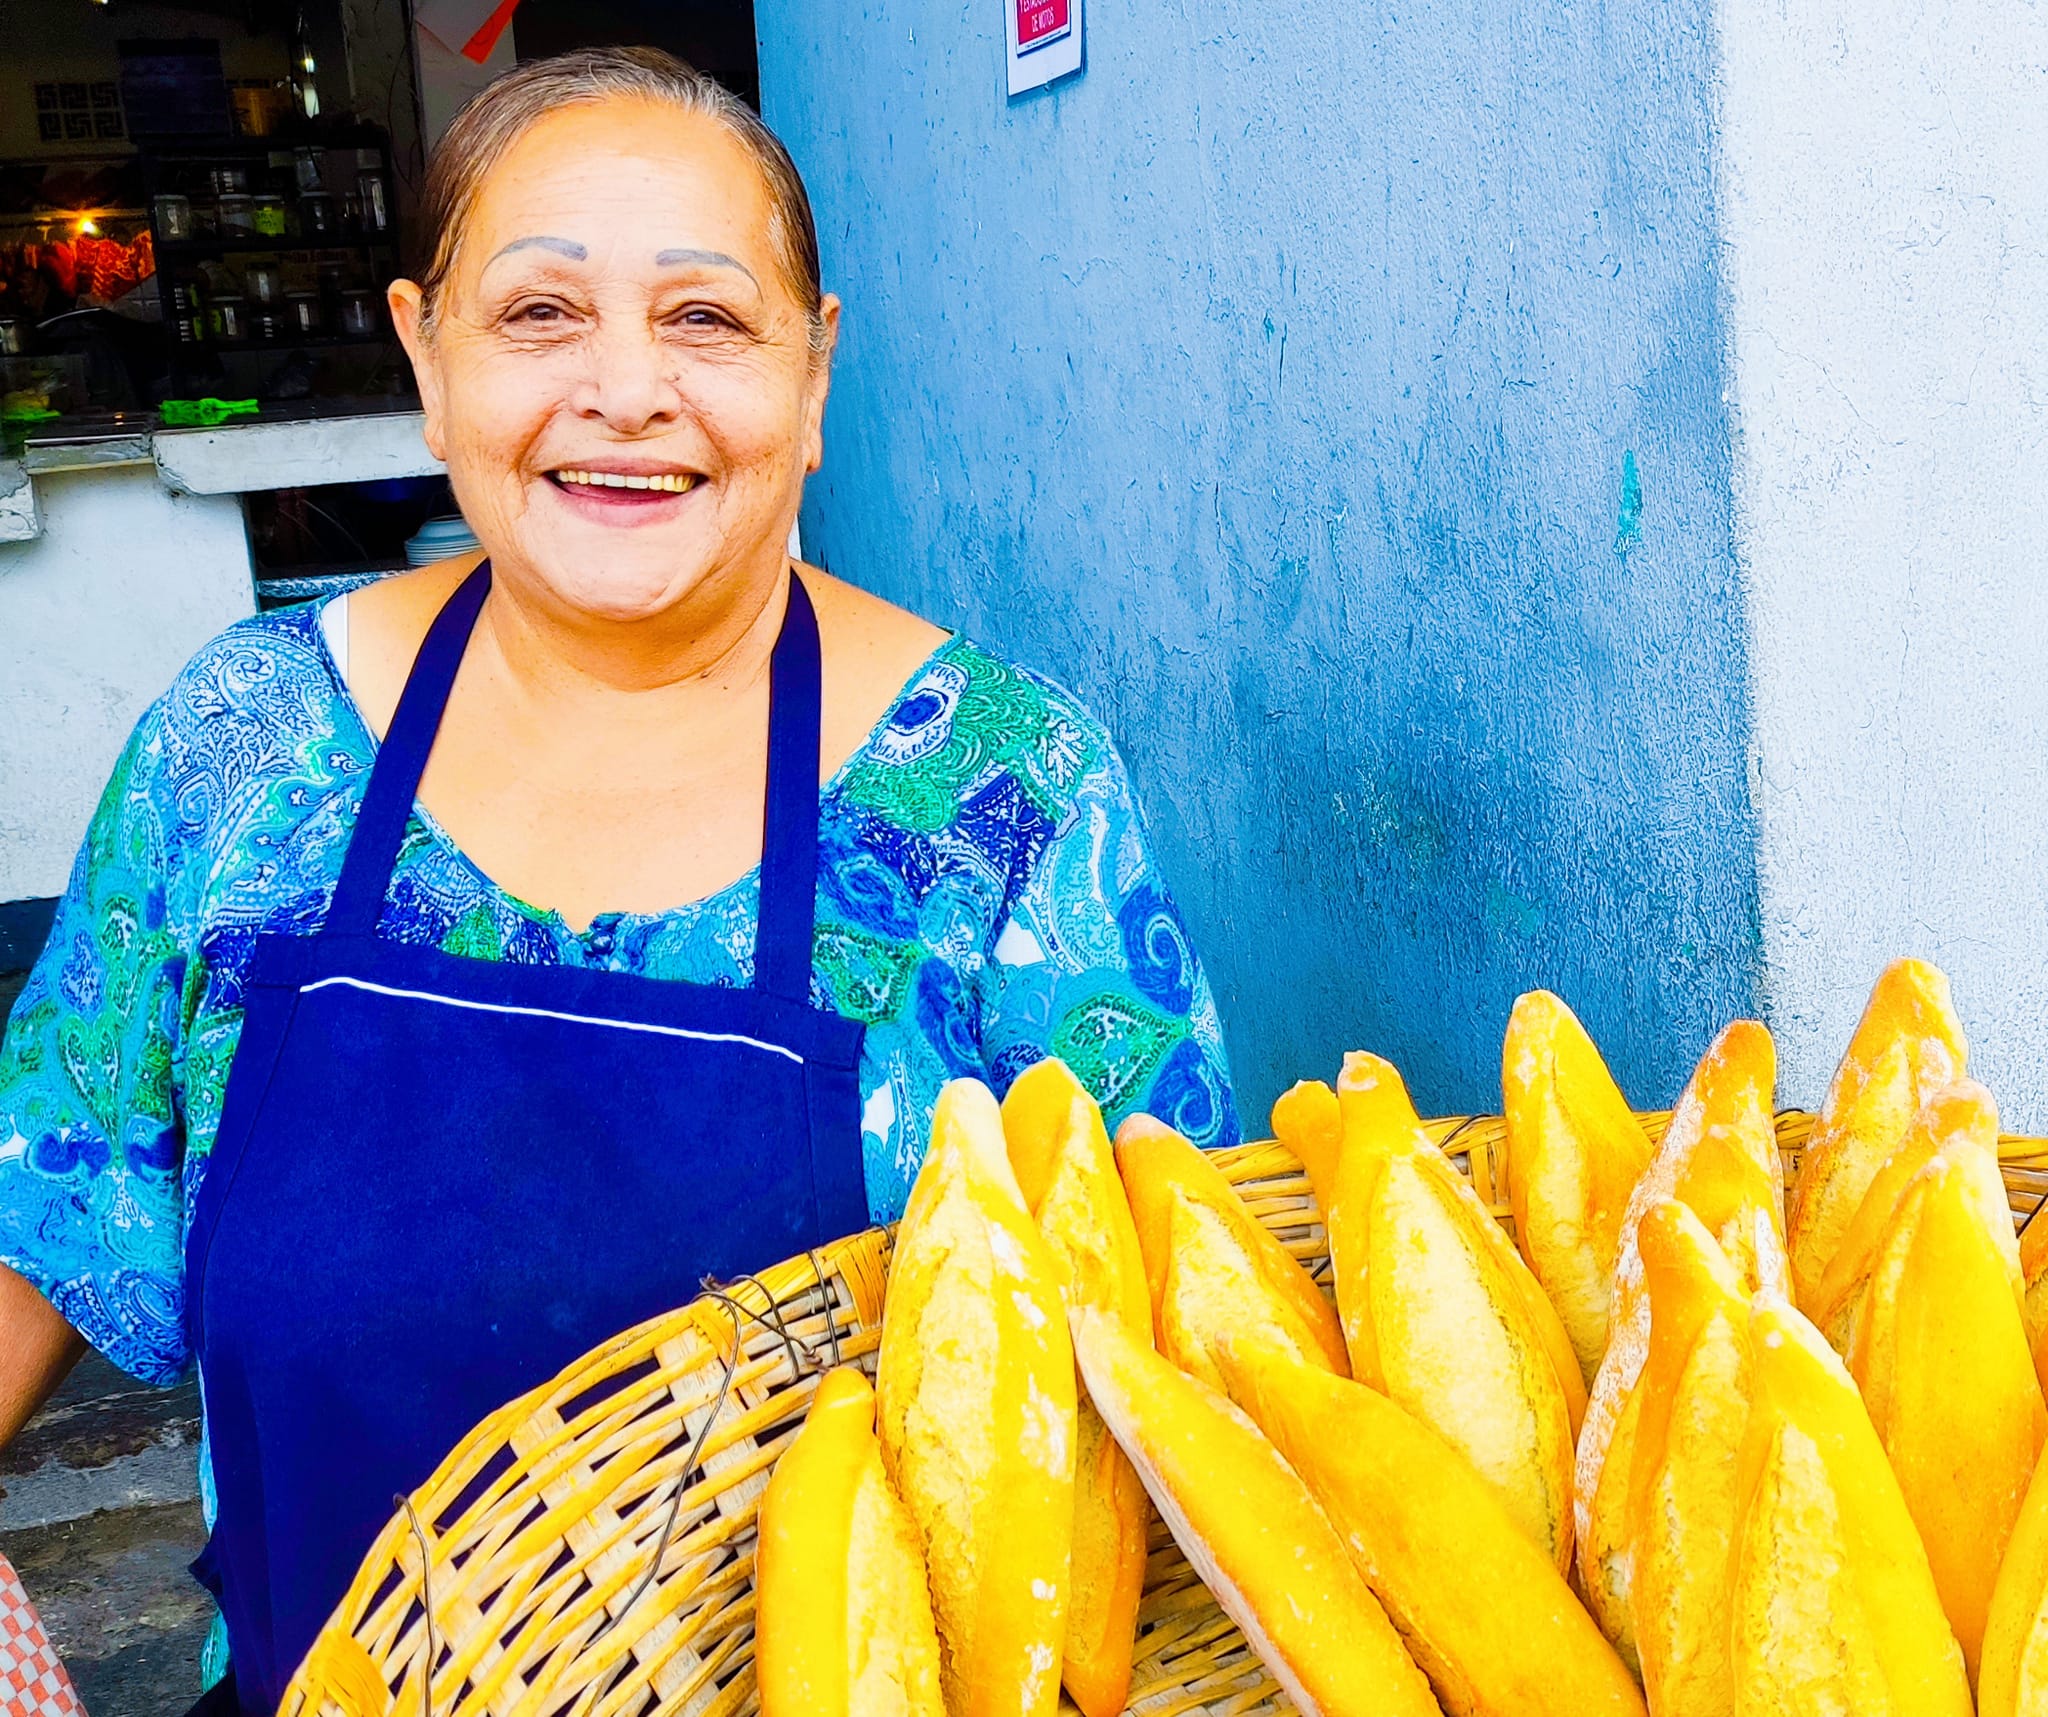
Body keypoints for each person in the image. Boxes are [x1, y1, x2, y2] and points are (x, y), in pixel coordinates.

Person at [0, 48, 1237, 1714]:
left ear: (814, 379)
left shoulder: (1004, 800)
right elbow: (49, 1206)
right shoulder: (239, 751)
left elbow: (1182, 1387)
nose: (627, 392)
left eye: (709, 323)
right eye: (539, 316)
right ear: (427, 359)